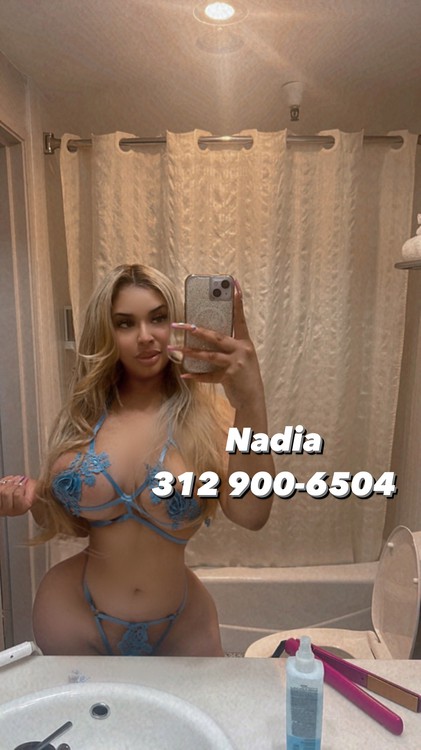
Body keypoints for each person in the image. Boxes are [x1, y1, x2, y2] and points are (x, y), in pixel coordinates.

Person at [0, 264, 274, 656]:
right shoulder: (85, 417)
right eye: (125, 323)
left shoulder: (211, 421)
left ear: (174, 324)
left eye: (157, 318)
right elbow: (68, 522)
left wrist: (250, 399)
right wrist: (30, 498)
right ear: (106, 332)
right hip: (73, 614)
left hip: (181, 627)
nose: (145, 336)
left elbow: (252, 513)